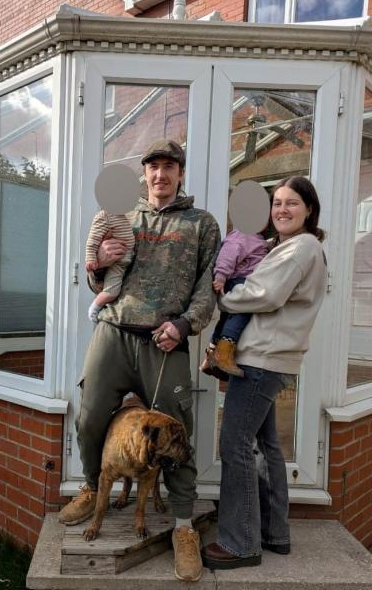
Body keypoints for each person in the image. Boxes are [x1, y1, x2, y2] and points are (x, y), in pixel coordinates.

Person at [58, 139, 221, 582]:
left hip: (164, 341)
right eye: (153, 167)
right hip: (113, 331)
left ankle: (184, 529)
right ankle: (93, 488)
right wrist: (97, 264)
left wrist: (185, 326)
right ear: (144, 174)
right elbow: (99, 278)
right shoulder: (122, 215)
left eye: (169, 167)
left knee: (175, 433)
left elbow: (208, 287)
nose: (160, 175)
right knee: (90, 416)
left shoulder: (202, 224)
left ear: (180, 174)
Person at [201, 176, 327, 570]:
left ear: (309, 209)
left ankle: (240, 543)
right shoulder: (289, 247)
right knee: (264, 446)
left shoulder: (301, 247)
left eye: (292, 203)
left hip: (261, 360)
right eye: (277, 203)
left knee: (234, 444)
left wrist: (223, 296)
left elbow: (264, 294)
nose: (282, 210)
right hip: (270, 357)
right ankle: (274, 533)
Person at [200, 228, 268, 378]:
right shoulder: (245, 234)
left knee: (226, 319)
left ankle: (211, 354)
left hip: (238, 281)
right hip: (240, 282)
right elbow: (228, 254)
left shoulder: (255, 237)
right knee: (241, 314)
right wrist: (221, 276)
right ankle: (223, 354)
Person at [85, 209, 135, 323]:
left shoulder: (123, 214)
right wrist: (95, 262)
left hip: (160, 327)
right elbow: (93, 240)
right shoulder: (105, 216)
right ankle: (94, 308)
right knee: (111, 291)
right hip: (118, 261)